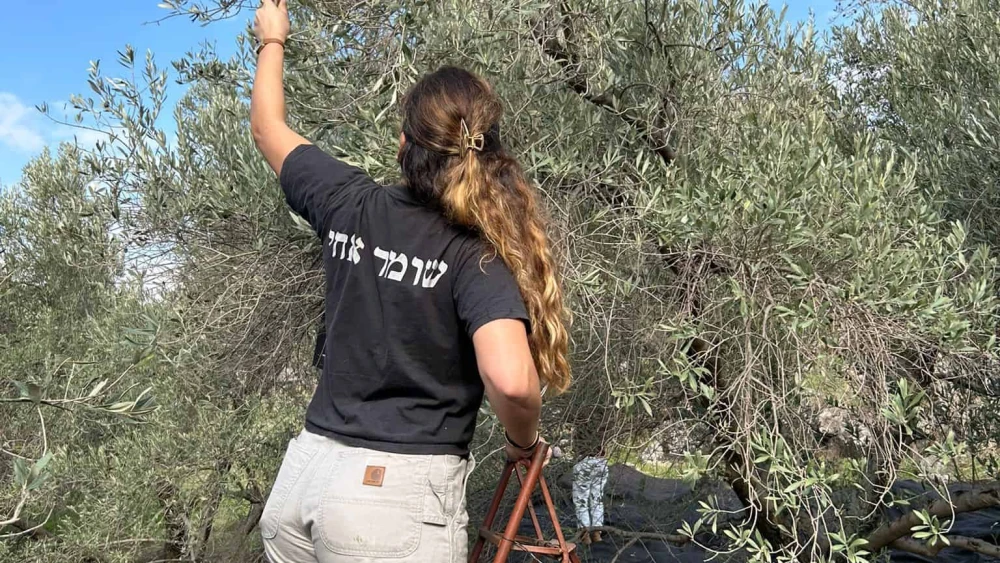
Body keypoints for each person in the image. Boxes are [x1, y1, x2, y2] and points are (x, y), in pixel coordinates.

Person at [249, 2, 571, 562]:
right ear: (488, 157)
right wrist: (523, 442)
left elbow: (267, 128)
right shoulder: (476, 254)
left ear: (404, 146)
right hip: (389, 504)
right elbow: (514, 382)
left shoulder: (347, 203)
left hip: (303, 480)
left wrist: (272, 40)